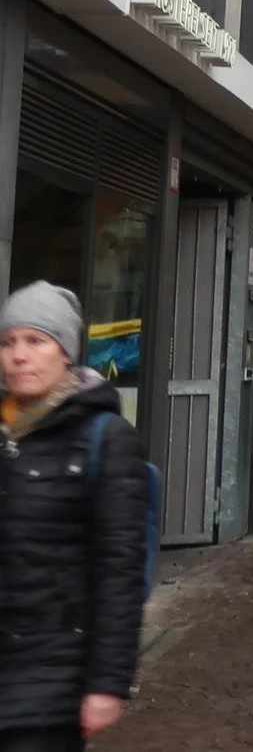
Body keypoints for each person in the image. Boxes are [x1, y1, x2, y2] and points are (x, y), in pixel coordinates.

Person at [0, 281, 149, 752]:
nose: (18, 356)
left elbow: (119, 569)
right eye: (8, 342)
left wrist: (107, 683)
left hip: (51, 679)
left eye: (36, 341)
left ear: (65, 352)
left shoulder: (106, 439)